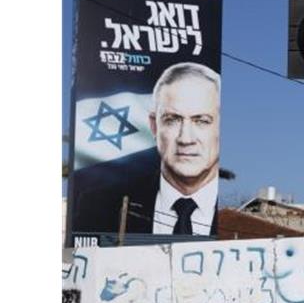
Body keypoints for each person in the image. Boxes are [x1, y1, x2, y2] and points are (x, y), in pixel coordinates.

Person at [71, 61, 222, 236]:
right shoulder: (99, 206)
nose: (185, 139)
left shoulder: (235, 216)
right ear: (154, 126)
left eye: (202, 121)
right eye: (172, 120)